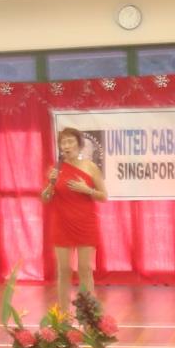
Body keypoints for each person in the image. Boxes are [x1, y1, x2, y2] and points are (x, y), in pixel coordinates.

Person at [41, 127, 107, 309]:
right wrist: (50, 184)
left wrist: (87, 190)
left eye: (70, 141)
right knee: (64, 270)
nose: (66, 145)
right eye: (63, 142)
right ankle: (63, 315)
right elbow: (45, 198)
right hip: (61, 224)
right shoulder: (55, 169)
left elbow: (103, 196)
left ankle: (89, 315)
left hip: (85, 223)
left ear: (79, 144)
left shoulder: (90, 167)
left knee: (85, 269)